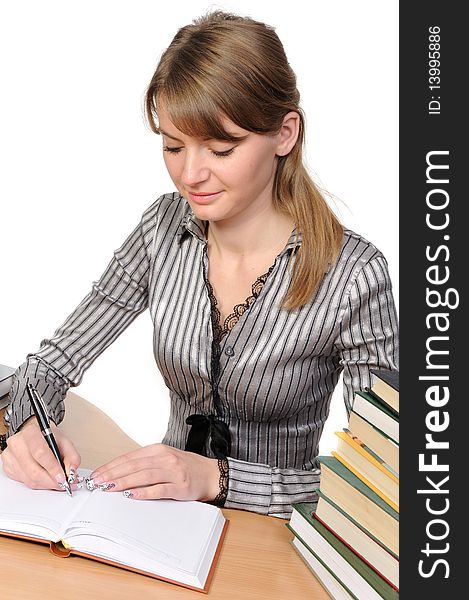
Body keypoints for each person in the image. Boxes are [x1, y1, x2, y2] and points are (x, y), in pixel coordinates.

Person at [1, 10, 398, 518]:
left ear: (284, 134)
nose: (190, 174)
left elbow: (382, 483)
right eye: (172, 146)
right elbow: (54, 362)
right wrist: (28, 422)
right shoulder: (162, 229)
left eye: (220, 148)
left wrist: (218, 479)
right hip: (163, 521)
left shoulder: (354, 276)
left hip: (278, 542)